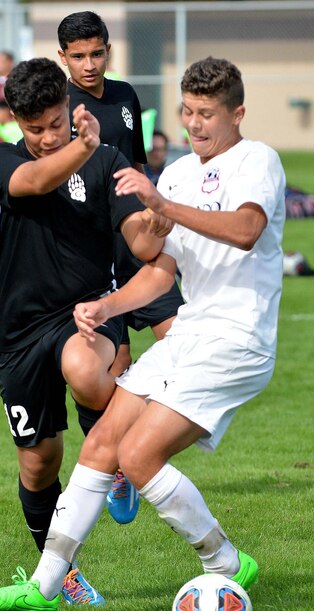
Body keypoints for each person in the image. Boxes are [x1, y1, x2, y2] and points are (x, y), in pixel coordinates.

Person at [0, 55, 286, 611]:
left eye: (207, 113)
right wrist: (107, 306)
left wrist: (161, 208)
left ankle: (225, 563)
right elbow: (160, 268)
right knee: (102, 447)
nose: (195, 124)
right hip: (187, 332)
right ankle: (45, 590)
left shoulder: (257, 160)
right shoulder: (180, 173)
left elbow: (245, 231)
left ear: (238, 113)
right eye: (187, 112)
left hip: (238, 338)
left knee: (137, 455)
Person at [0, 57, 169, 608]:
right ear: (16, 120)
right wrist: (78, 146)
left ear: (68, 106)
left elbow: (141, 243)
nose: (47, 137)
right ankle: (62, 571)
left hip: (85, 313)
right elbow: (32, 181)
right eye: (34, 128)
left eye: (55, 123)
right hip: (17, 331)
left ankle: (121, 455)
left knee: (85, 367)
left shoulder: (104, 161)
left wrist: (160, 215)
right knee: (39, 463)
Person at [58, 10, 184, 524]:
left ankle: (144, 448)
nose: (89, 65)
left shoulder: (127, 96)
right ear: (62, 58)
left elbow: (135, 166)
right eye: (79, 56)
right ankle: (119, 469)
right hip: (92, 253)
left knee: (182, 342)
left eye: (97, 53)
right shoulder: (58, 107)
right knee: (114, 371)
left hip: (136, 245)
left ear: (108, 50)